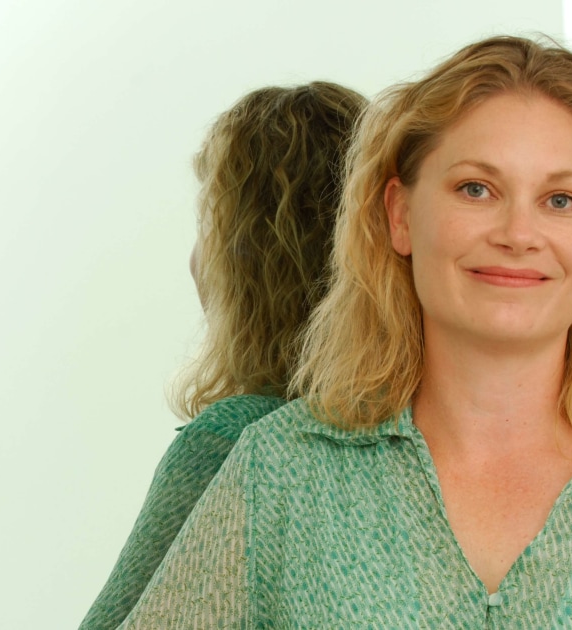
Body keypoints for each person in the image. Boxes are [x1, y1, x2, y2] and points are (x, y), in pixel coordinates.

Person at [118, 36, 572, 627]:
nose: (518, 233)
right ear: (399, 214)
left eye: (560, 199)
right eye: (476, 189)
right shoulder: (280, 476)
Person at [79, 82, 367, 629]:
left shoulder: (234, 441)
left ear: (248, 260)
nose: (193, 260)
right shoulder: (423, 438)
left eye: (206, 226)